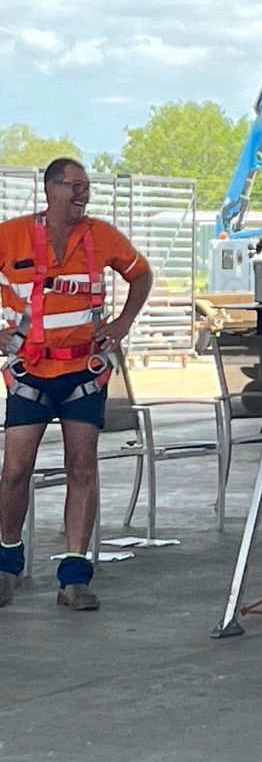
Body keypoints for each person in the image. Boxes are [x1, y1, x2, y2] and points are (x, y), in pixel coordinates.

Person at [0, 158, 153, 611]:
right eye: (74, 185)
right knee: (15, 471)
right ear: (50, 189)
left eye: (86, 186)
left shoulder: (101, 236)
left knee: (82, 468)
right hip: (29, 374)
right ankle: (7, 565)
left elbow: (141, 273)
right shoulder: (11, 235)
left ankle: (74, 576)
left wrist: (123, 322)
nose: (82, 194)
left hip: (83, 373)